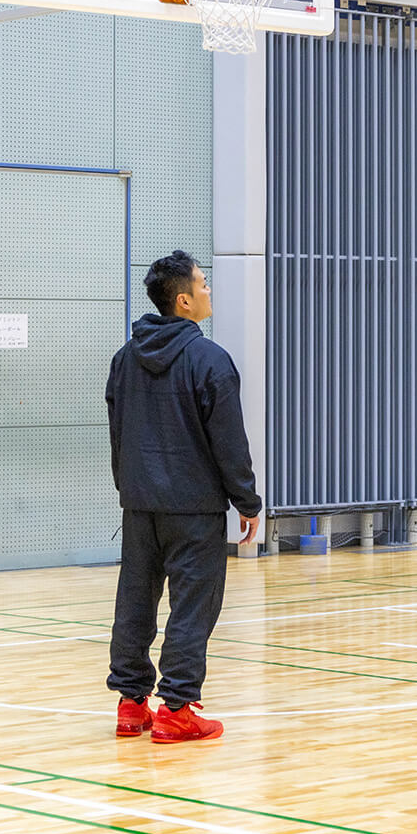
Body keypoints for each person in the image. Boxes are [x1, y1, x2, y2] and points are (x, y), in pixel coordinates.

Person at [105, 250, 261, 743]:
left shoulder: (125, 358)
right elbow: (229, 442)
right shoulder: (210, 360)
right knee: (193, 606)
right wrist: (248, 501)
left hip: (141, 503)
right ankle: (177, 708)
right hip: (193, 509)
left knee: (135, 599)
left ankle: (131, 705)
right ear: (183, 300)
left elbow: (118, 432)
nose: (210, 290)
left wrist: (130, 486)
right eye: (204, 284)